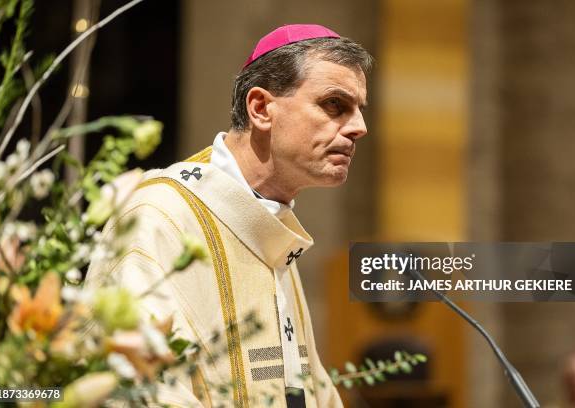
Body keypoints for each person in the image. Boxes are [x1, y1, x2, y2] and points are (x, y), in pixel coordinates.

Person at [85, 23, 371, 407]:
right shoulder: (160, 216)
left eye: (358, 110)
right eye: (334, 104)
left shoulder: (270, 227)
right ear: (261, 108)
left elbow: (306, 389)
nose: (359, 128)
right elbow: (136, 388)